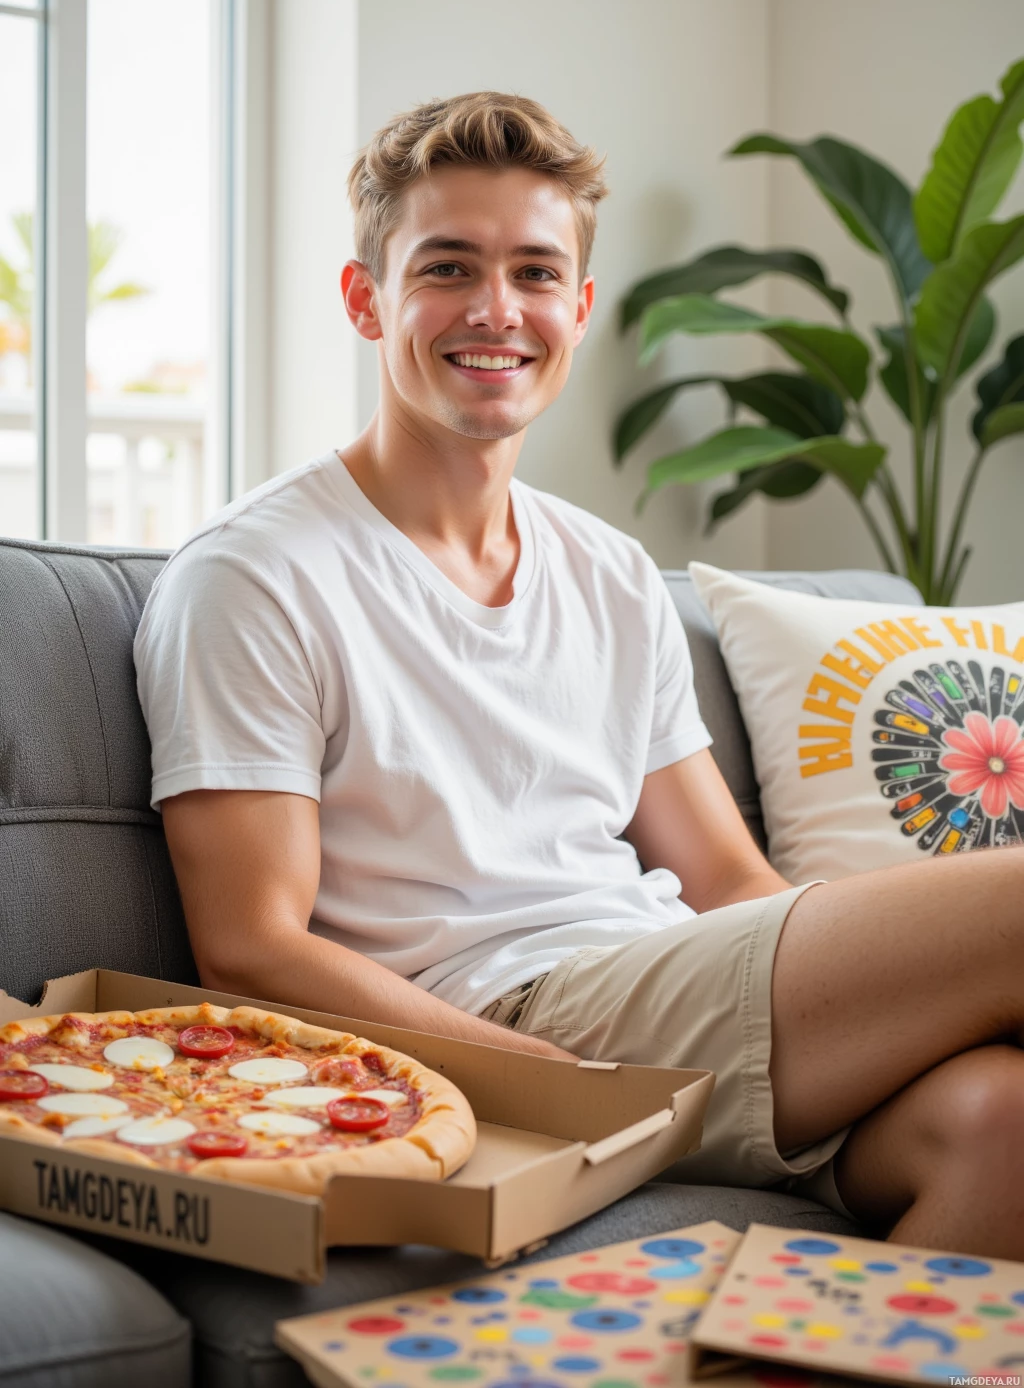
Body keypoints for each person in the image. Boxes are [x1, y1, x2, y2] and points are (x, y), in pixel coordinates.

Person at [135, 92, 1024, 1260]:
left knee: (1000, 1123)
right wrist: (556, 1083)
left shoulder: (609, 571)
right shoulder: (253, 574)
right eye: (447, 267)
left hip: (661, 981)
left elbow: (724, 875)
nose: (496, 310)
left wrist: (857, 987)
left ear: (580, 309)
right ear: (366, 300)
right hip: (496, 1013)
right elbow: (250, 944)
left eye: (535, 274)